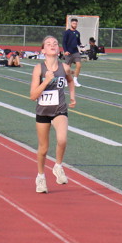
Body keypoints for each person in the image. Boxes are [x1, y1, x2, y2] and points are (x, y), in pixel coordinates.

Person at [30, 35, 77, 193]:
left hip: (59, 109)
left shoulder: (65, 68)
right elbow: (32, 96)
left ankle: (58, 166)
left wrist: (72, 96)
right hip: (43, 111)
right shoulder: (39, 69)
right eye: (48, 44)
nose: (52, 45)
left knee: (62, 139)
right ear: (43, 50)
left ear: (59, 49)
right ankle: (41, 177)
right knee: (43, 148)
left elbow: (70, 81)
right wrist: (46, 80)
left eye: (55, 43)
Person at [62, 17, 83, 85]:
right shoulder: (67, 32)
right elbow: (64, 42)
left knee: (79, 65)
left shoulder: (77, 33)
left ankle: (75, 80)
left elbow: (78, 42)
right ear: (71, 23)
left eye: (76, 24)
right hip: (68, 52)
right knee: (68, 67)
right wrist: (65, 50)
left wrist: (81, 46)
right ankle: (65, 80)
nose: (75, 25)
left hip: (75, 52)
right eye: (73, 23)